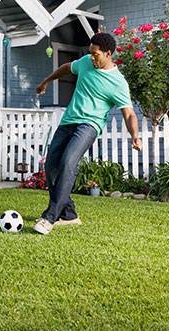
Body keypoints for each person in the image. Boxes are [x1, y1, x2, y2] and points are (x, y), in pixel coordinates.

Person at [33, 32, 143, 235]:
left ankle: (50, 217)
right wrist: (46, 81)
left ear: (108, 54)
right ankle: (69, 215)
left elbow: (129, 114)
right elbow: (67, 68)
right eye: (90, 53)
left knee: (68, 163)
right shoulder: (85, 62)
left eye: (95, 54)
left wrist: (134, 135)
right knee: (51, 167)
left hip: (89, 126)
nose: (91, 57)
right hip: (68, 121)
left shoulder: (118, 83)